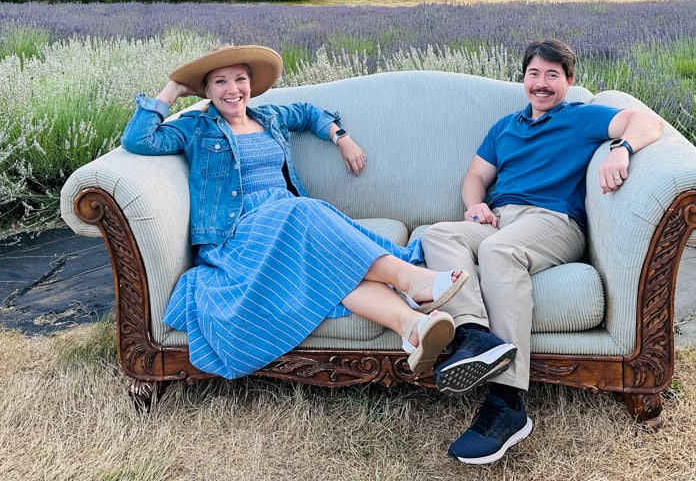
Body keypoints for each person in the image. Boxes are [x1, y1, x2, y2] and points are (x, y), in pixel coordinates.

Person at [120, 44, 468, 379]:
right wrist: (172, 89)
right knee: (303, 211)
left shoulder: (270, 117)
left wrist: (341, 137)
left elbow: (308, 113)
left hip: (284, 225)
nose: (232, 89)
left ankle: (411, 326)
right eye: (220, 81)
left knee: (330, 267)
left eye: (239, 79)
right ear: (207, 90)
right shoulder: (196, 128)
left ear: (251, 84)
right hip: (237, 236)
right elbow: (139, 139)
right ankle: (410, 280)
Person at [422, 38, 664, 465]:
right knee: (439, 234)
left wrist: (622, 149)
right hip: (503, 219)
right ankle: (474, 336)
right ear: (523, 79)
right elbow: (476, 174)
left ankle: (508, 402)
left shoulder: (580, 118)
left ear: (569, 82)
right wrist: (475, 203)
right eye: (534, 73)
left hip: (554, 221)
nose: (542, 83)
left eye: (553, 75)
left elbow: (646, 122)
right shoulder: (505, 127)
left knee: (498, 252)